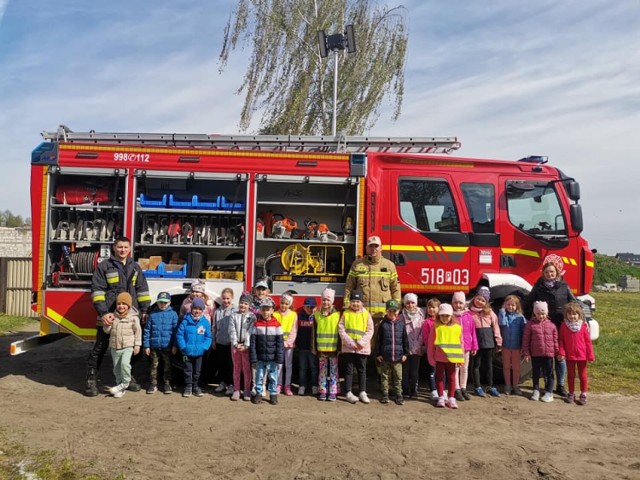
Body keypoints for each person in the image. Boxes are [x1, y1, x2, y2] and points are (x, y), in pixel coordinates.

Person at [85, 236, 150, 397]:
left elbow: (142, 289)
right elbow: (98, 291)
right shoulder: (104, 266)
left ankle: (126, 378)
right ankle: (91, 380)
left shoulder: (135, 267)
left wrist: (144, 310)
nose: (123, 250)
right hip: (109, 315)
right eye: (119, 247)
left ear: (130, 249)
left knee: (133, 348)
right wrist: (103, 313)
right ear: (114, 248)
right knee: (100, 347)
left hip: (129, 316)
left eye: (125, 247)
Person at [523, 254, 576, 397]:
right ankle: (548, 384)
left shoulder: (564, 286)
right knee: (546, 357)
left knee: (560, 356)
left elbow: (573, 302)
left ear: (557, 272)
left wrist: (575, 318)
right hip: (543, 326)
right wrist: (530, 318)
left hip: (560, 326)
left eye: (552, 272)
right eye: (547, 272)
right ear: (543, 273)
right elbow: (527, 302)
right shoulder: (538, 287)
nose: (549, 274)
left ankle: (560, 385)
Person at [344, 235, 401, 357]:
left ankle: (380, 374)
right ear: (366, 248)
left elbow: (395, 289)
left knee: (381, 345)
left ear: (381, 248)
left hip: (382, 316)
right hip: (361, 316)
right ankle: (360, 373)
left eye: (376, 246)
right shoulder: (357, 265)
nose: (373, 249)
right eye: (371, 246)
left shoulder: (389, 266)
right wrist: (346, 305)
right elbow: (349, 286)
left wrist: (396, 309)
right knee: (360, 345)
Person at [338, 290, 374, 404]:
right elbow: (341, 329)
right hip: (349, 348)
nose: (355, 304)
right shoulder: (346, 313)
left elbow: (370, 330)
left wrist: (361, 343)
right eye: (353, 301)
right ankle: (348, 392)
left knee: (362, 370)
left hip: (361, 349)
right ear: (350, 303)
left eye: (358, 301)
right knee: (348, 370)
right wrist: (350, 343)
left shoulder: (366, 314)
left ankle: (362, 392)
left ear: (362, 303)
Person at [103, 292, 142, 398]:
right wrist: (107, 325)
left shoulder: (134, 318)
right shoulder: (113, 316)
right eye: (119, 304)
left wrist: (137, 345)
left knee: (124, 365)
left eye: (124, 304)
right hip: (115, 346)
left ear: (129, 305)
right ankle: (120, 387)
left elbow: (138, 332)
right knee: (116, 368)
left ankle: (125, 382)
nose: (121, 306)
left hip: (127, 346)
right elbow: (107, 331)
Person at [427, 303, 464, 409]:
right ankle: (441, 397)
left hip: (452, 358)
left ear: (451, 316)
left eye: (447, 316)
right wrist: (431, 358)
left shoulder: (457, 327)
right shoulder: (436, 327)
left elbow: (461, 344)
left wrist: (460, 358)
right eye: (442, 315)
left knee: (452, 378)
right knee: (439, 378)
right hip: (439, 358)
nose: (444, 318)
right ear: (439, 316)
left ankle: (451, 398)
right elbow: (430, 344)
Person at [558, 302, 595, 405]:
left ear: (579, 315)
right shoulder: (564, 326)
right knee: (570, 375)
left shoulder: (583, 326)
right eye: (570, 314)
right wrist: (561, 352)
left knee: (582, 375)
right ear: (566, 315)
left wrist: (590, 355)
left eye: (575, 314)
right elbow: (561, 340)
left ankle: (583, 394)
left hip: (582, 356)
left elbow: (588, 342)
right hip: (570, 356)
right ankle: (571, 393)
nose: (572, 316)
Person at [250, 297, 284, 405]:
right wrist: (253, 357)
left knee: (273, 377)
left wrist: (279, 357)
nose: (265, 312)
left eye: (268, 309)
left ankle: (273, 395)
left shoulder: (277, 325)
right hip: (260, 357)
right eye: (263, 309)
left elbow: (280, 344)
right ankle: (258, 394)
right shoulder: (256, 324)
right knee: (259, 377)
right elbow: (253, 342)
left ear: (272, 310)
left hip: (273, 358)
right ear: (260, 310)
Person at [143, 291, 179, 394]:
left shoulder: (173, 314)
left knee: (167, 365)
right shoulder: (152, 315)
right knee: (154, 365)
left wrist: (175, 345)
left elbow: (176, 331)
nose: (162, 304)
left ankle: (167, 383)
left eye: (165, 302)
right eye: (160, 302)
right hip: (154, 345)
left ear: (169, 302)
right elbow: (147, 331)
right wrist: (146, 345)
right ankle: (153, 383)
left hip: (167, 345)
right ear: (157, 302)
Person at [522, 301, 559, 403]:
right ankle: (536, 390)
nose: (541, 316)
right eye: (538, 314)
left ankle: (549, 392)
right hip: (535, 354)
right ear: (535, 313)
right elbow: (526, 339)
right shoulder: (530, 325)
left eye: (543, 314)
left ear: (546, 313)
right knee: (536, 373)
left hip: (548, 354)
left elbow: (555, 340)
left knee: (549, 373)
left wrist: (557, 352)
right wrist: (526, 352)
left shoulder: (552, 326)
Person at [176, 297, 212, 398]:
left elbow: (208, 336)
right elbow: (179, 335)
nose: (197, 311)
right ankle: (188, 387)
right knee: (187, 370)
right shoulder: (185, 321)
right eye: (195, 308)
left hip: (199, 353)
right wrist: (183, 347)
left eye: (200, 309)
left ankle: (196, 386)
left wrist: (204, 347)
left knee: (197, 371)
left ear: (202, 310)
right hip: (186, 352)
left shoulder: (205, 322)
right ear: (191, 309)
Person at [469, 286, 502, 397]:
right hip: (476, 342)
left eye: (483, 300)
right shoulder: (469, 313)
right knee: (476, 365)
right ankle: (477, 387)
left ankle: (490, 386)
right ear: (474, 298)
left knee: (489, 365)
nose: (480, 302)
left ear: (486, 302)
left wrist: (498, 342)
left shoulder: (490, 313)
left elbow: (496, 327)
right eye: (478, 298)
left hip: (488, 342)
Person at [376, 300, 409, 405]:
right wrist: (378, 354)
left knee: (398, 377)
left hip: (398, 357)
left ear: (398, 311)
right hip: (385, 356)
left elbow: (405, 340)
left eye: (394, 311)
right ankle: (385, 394)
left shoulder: (401, 324)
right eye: (390, 311)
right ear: (386, 311)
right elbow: (378, 340)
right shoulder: (383, 324)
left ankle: (399, 394)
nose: (392, 313)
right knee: (385, 376)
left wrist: (405, 353)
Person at [314, 288, 341, 401]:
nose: (326, 302)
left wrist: (340, 348)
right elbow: (313, 333)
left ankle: (333, 391)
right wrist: (314, 347)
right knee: (322, 372)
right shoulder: (316, 315)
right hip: (321, 349)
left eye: (328, 300)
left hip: (333, 349)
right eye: (324, 300)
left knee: (333, 371)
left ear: (332, 301)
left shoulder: (337, 315)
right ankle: (323, 391)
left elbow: (340, 333)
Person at [228, 292, 256, 401]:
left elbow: (250, 331)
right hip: (235, 346)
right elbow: (231, 330)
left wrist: (246, 345)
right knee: (236, 368)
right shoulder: (233, 315)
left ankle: (247, 390)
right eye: (241, 303)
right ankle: (236, 389)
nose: (242, 305)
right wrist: (235, 343)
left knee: (246, 369)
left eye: (245, 303)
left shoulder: (252, 317)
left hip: (246, 347)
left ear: (249, 305)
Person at [451, 291, 477, 401]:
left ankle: (463, 387)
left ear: (464, 304)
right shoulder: (451, 316)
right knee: (456, 368)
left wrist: (474, 346)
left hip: (466, 346)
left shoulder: (469, 316)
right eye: (456, 303)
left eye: (460, 303)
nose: (458, 305)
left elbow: (473, 332)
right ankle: (456, 389)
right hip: (455, 347)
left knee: (464, 368)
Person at [498, 294, 527, 396]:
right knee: (506, 367)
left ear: (517, 306)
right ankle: (507, 385)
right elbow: (502, 323)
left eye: (513, 305)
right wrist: (502, 311)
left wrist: (524, 347)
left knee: (516, 367)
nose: (510, 307)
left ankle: (515, 385)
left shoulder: (520, 317)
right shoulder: (503, 315)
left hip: (516, 347)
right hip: (506, 346)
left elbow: (525, 332)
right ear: (505, 305)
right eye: (508, 305)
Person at [399, 293, 425, 399]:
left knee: (414, 371)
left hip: (417, 348)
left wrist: (416, 346)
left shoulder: (421, 314)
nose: (410, 305)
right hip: (405, 349)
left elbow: (422, 333)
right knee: (405, 370)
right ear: (404, 304)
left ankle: (414, 389)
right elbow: (400, 333)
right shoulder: (401, 316)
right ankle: (405, 389)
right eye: (408, 303)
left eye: (412, 302)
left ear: (416, 303)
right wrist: (405, 348)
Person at [273, 293, 298, 396]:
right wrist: (279, 342)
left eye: (286, 304)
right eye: (282, 303)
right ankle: (278, 384)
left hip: (289, 346)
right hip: (278, 344)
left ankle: (287, 385)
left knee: (288, 366)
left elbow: (294, 330)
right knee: (278, 365)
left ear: (290, 304)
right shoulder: (274, 314)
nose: (283, 305)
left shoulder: (293, 315)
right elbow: (273, 329)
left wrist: (288, 342)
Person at [212, 287, 235, 396]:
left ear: (232, 298)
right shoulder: (218, 311)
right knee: (221, 364)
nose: (226, 301)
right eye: (224, 298)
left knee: (230, 364)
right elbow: (214, 327)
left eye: (228, 298)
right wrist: (213, 340)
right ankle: (222, 382)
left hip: (231, 343)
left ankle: (231, 384)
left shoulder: (235, 311)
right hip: (220, 341)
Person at [296, 297, 318, 396]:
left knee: (314, 368)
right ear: (304, 307)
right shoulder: (299, 317)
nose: (309, 309)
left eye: (312, 307)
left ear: (315, 308)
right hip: (302, 348)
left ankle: (314, 385)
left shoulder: (317, 317)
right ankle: (302, 386)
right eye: (307, 306)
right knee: (302, 368)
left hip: (313, 348)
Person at [421, 298, 440, 401]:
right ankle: (433, 390)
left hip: (441, 350)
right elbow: (425, 337)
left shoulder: (441, 321)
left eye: (434, 307)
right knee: (432, 370)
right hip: (431, 350)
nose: (431, 309)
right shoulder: (427, 322)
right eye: (429, 307)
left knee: (441, 371)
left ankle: (441, 390)